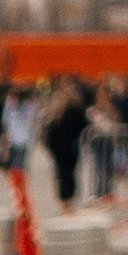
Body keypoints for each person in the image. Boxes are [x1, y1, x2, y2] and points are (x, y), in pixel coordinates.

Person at [40, 78, 91, 213]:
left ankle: (67, 201)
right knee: (64, 175)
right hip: (63, 148)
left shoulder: (72, 111)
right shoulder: (59, 112)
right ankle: (66, 202)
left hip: (67, 148)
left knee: (66, 175)